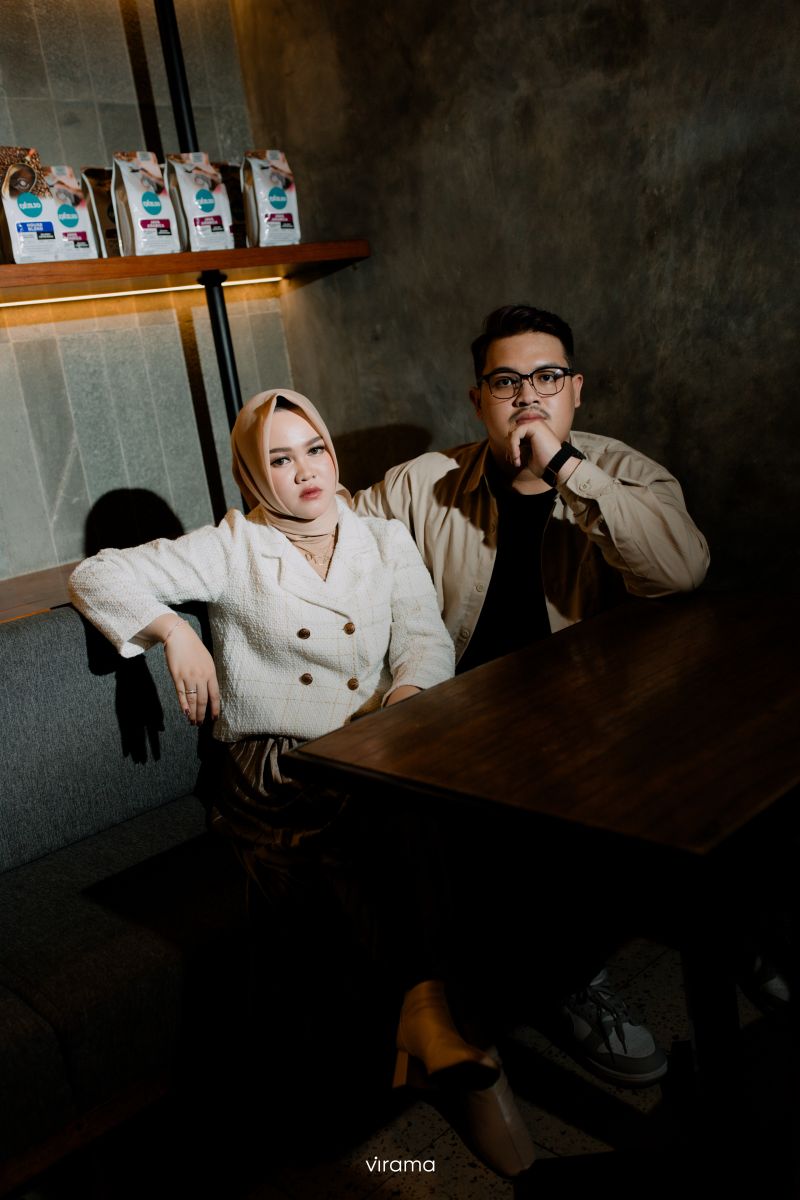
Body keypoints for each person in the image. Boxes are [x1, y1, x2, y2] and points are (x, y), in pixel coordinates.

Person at [68, 388, 536, 1177]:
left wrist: (405, 703)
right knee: (395, 815)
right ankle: (456, 1050)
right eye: (279, 459)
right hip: (279, 761)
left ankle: (435, 1022)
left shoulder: (383, 538)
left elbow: (423, 639)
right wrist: (174, 631)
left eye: (314, 448)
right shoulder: (233, 545)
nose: (305, 470)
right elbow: (97, 574)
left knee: (445, 810)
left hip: (385, 737)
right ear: (252, 474)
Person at [353, 304, 711, 1086]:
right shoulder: (422, 484)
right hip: (462, 719)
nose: (527, 397)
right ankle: (534, 987)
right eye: (506, 382)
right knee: (409, 802)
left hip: (591, 716)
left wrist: (568, 471)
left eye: (547, 378)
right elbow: (321, 528)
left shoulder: (623, 472)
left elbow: (682, 570)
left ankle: (594, 971)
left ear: (576, 389)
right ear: (478, 398)